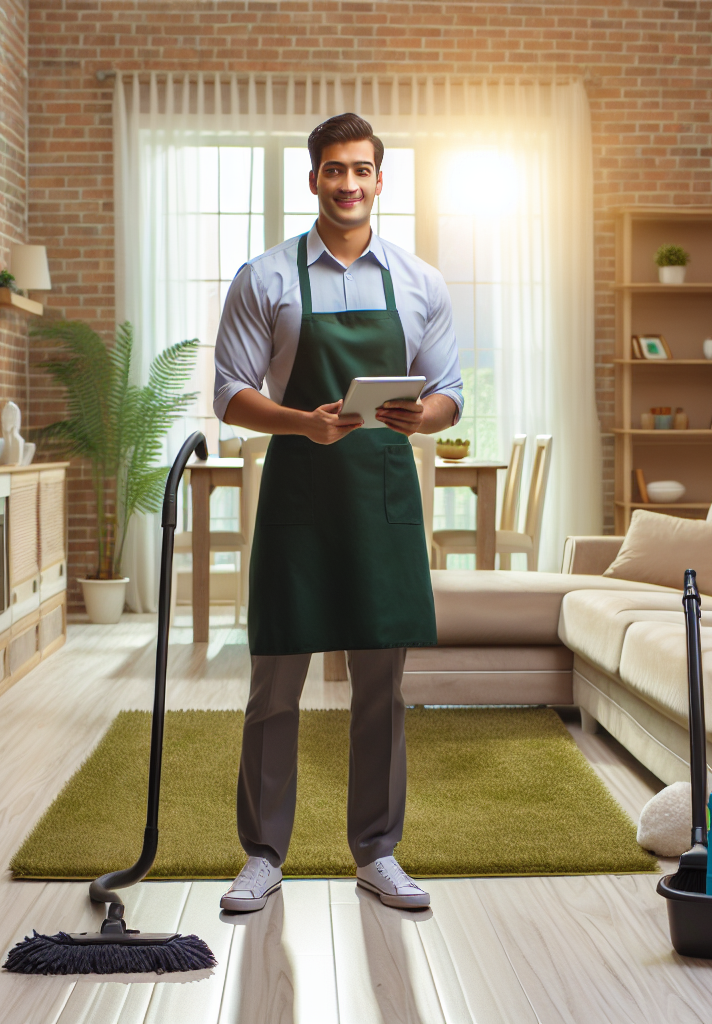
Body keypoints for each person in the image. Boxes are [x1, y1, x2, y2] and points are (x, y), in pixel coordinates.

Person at [212, 113, 462, 912]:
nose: (347, 184)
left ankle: (378, 853)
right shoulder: (266, 277)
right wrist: (301, 422)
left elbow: (450, 391)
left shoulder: (421, 281)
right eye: (332, 170)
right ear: (312, 179)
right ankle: (262, 854)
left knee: (382, 689)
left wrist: (427, 417)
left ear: (380, 181)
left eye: (361, 170)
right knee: (274, 684)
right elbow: (229, 394)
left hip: (384, 502)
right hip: (297, 498)